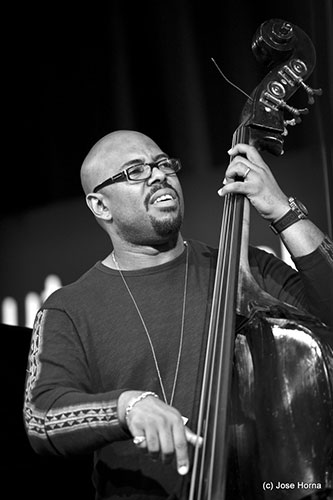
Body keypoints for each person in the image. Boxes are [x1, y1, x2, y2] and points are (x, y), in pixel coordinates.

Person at [23, 130, 333, 499]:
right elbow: (41, 417)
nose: (159, 175)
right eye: (134, 171)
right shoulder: (68, 308)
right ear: (100, 206)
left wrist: (281, 209)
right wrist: (126, 408)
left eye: (163, 163)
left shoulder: (244, 269)